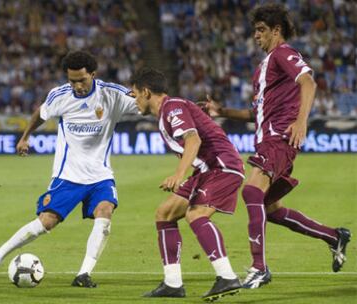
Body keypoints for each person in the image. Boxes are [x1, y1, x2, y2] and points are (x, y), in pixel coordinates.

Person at [200, 3, 351, 289]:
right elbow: (254, 113)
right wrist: (221, 111)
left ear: (276, 31)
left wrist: (301, 121)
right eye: (254, 30)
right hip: (267, 139)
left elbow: (309, 83)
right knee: (270, 209)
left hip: (279, 138)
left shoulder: (284, 53)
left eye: (261, 30)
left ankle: (259, 268)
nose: (255, 36)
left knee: (252, 190)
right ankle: (334, 236)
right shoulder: (263, 68)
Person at [0, 50, 138, 287]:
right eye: (72, 80)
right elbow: (40, 115)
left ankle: (84, 274)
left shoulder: (112, 94)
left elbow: (150, 103)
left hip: (100, 176)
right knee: (46, 222)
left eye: (82, 80)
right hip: (67, 176)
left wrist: (187, 110)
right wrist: (25, 137)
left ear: (93, 74)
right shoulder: (59, 96)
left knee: (105, 212)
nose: (77, 85)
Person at [130, 67, 245, 301]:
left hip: (221, 166)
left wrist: (179, 174)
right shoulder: (171, 109)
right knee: (165, 214)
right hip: (206, 170)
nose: (134, 99)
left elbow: (193, 139)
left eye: (135, 94)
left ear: (146, 91)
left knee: (196, 215)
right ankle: (173, 283)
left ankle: (227, 276)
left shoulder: (171, 107)